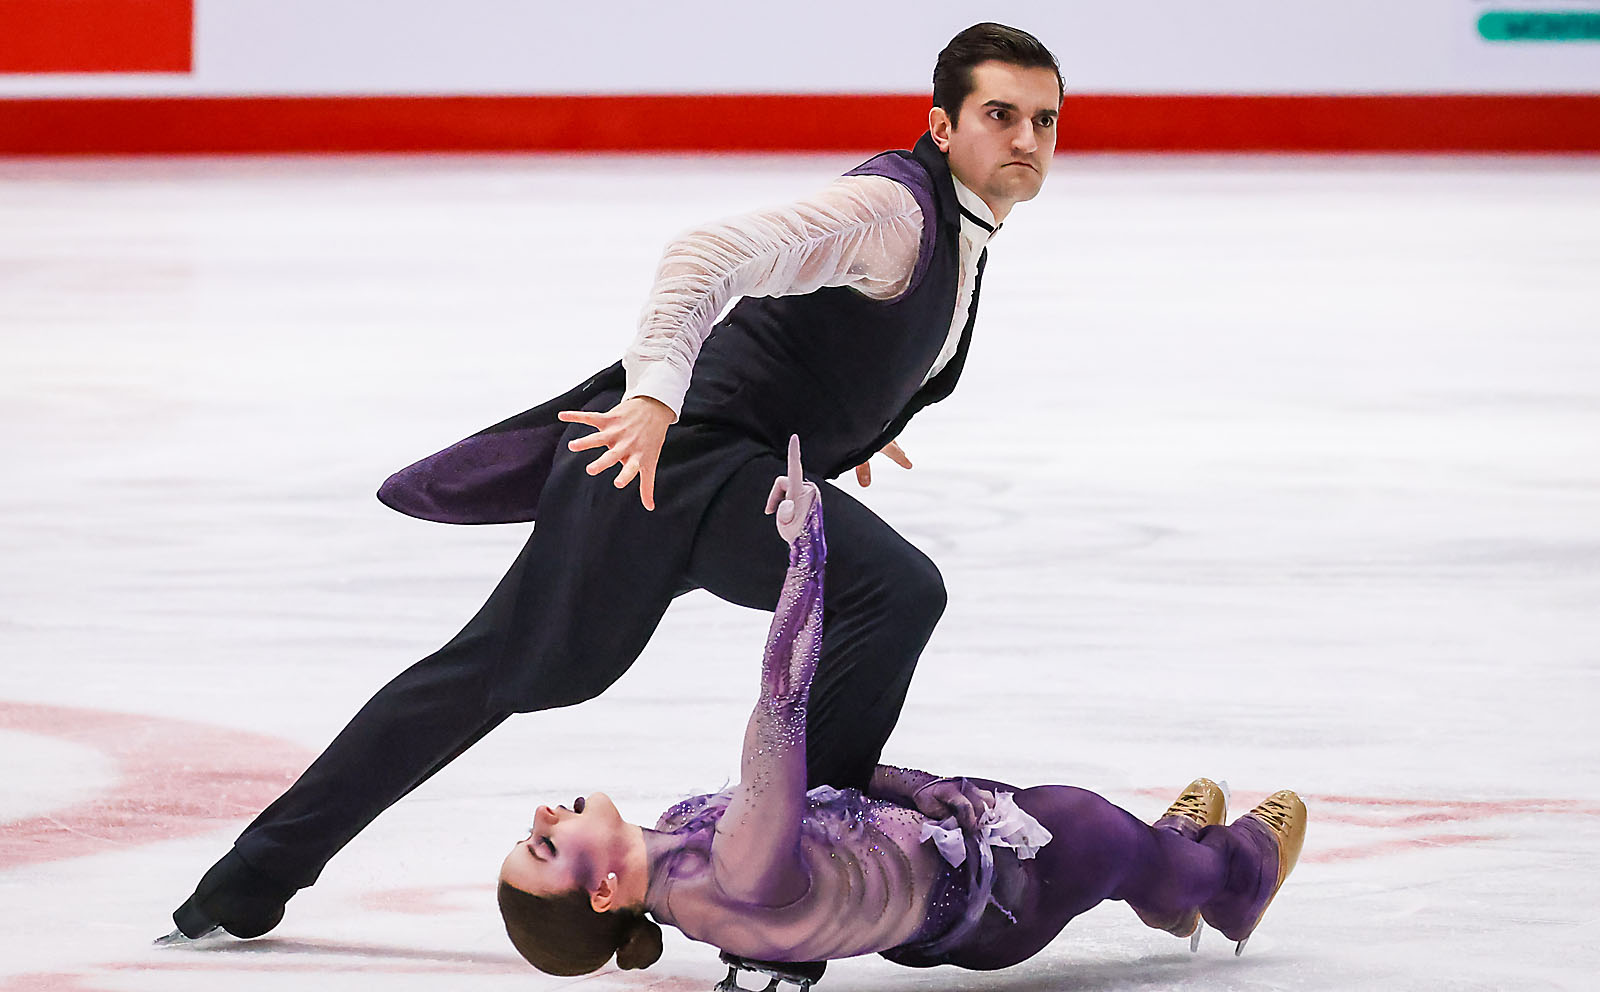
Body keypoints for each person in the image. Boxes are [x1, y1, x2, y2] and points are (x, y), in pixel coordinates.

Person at [169, 23, 1071, 941]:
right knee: (875, 592)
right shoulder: (895, 211)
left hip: (724, 468)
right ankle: (806, 851)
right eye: (1001, 115)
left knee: (488, 673)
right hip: (666, 466)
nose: (1026, 140)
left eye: (1044, 120)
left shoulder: (962, 228)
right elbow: (705, 255)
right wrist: (652, 398)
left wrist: (867, 420)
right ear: (942, 124)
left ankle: (251, 876)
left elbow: (835, 335)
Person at [496, 438, 1308, 987]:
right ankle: (1229, 875)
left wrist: (917, 786)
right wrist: (806, 552)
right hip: (1002, 891)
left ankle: (1163, 875)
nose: (541, 814)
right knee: (1096, 829)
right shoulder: (728, 872)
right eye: (543, 845)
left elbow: (821, 786)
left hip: (948, 860)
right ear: (603, 891)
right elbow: (783, 706)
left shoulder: (683, 833)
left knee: (1115, 845)